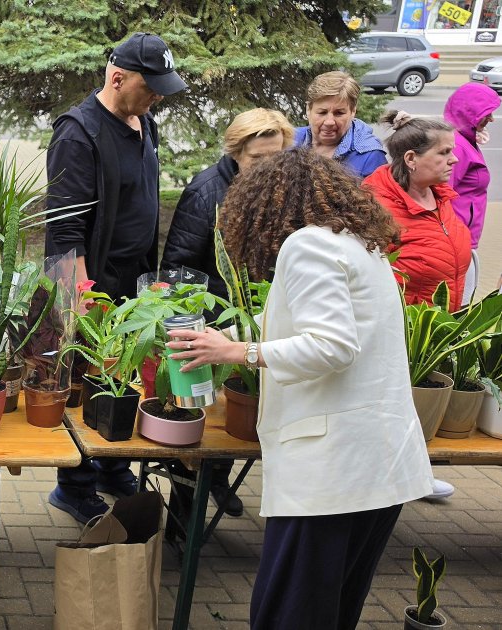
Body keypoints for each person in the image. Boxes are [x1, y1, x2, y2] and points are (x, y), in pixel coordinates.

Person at [167, 149, 433, 629]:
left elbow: (331, 347)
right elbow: (344, 335)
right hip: (380, 465)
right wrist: (232, 341)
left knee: (287, 616)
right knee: (331, 614)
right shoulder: (357, 244)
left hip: (332, 472)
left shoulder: (307, 245)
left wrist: (239, 355)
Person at [43, 32, 187, 523]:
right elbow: (65, 226)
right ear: (117, 77)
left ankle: (108, 463)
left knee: (123, 374)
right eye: (151, 87)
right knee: (89, 377)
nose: (157, 97)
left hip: (132, 276)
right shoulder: (78, 133)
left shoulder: (143, 123)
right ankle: (75, 483)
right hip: (92, 281)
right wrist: (81, 295)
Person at [161, 108, 294, 519]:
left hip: (255, 320)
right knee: (200, 418)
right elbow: (178, 266)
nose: (267, 167)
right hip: (213, 324)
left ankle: (219, 478)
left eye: (276, 157)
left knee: (238, 409)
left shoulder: (281, 188)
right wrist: (193, 322)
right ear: (236, 152)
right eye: (258, 159)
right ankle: (185, 514)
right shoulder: (206, 192)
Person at [363, 110, 471, 503]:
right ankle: (387, 482)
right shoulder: (377, 205)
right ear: (411, 159)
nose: (453, 160)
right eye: (443, 153)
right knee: (391, 407)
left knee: (412, 407)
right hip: (401, 328)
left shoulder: (439, 195)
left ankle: (411, 474)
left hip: (436, 322)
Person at [444, 83, 500, 301]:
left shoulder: (466, 141)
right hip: (455, 242)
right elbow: (443, 193)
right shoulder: (457, 145)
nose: (493, 119)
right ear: (470, 113)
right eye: (487, 113)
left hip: (464, 240)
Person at [292, 71, 387, 178]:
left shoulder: (370, 155)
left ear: (353, 112)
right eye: (322, 113)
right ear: (308, 110)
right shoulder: (290, 140)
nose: (329, 122)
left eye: (339, 113)